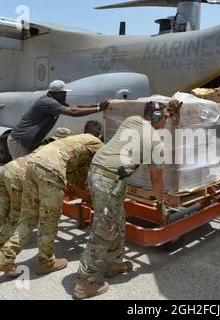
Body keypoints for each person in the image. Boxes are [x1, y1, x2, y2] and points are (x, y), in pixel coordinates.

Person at [72, 101, 169, 300]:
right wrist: (160, 204)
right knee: (104, 227)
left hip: (98, 171)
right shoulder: (156, 142)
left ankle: (115, 263)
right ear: (157, 116)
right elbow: (156, 178)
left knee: (116, 218)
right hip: (109, 178)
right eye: (166, 116)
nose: (167, 120)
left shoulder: (132, 120)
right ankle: (84, 281)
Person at [0, 121, 104, 277]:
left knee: (28, 217)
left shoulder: (74, 141)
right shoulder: (96, 142)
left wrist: (86, 190)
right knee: (49, 220)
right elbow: (102, 166)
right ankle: (46, 262)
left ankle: (5, 257)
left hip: (32, 166)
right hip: (50, 170)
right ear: (100, 135)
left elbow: (71, 175)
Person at [0, 128, 74, 258]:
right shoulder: (61, 150)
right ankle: (0, 246)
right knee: (17, 214)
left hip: (9, 168)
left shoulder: (45, 144)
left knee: (0, 210)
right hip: (20, 176)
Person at [7, 80, 108, 159]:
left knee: (28, 173)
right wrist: (99, 109)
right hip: (19, 141)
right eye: (64, 93)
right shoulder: (47, 102)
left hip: (26, 141)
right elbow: (73, 112)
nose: (66, 95)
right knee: (22, 173)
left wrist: (98, 105)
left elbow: (75, 107)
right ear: (57, 93)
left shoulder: (55, 101)